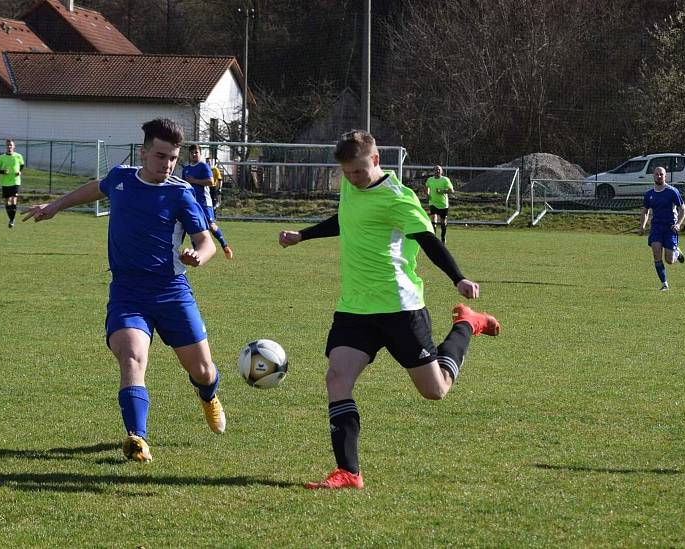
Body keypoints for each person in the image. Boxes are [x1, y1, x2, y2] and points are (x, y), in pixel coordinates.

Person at [278, 130, 501, 490]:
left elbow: (428, 240)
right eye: (347, 173)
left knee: (436, 391)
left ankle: (467, 325)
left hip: (400, 308)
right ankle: (349, 472)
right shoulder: (352, 187)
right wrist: (304, 235)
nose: (352, 179)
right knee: (337, 378)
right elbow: (347, 220)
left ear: (377, 161)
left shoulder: (400, 199)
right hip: (355, 308)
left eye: (359, 172)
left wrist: (458, 278)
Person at [22, 118, 226, 463]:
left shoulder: (180, 194)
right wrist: (55, 206)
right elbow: (95, 187)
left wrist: (198, 257)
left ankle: (208, 397)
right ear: (144, 153)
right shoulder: (121, 179)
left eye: (173, 158)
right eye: (161, 156)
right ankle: (137, 438)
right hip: (128, 293)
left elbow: (207, 243)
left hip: (171, 292)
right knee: (132, 357)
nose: (168, 164)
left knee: (202, 370)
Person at [638, 166, 685, 291]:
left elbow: (683, 209)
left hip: (670, 228)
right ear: (653, 176)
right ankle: (664, 284)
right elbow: (645, 211)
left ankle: (677, 252)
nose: (659, 176)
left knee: (669, 260)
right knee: (656, 253)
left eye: (661, 174)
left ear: (665, 176)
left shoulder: (672, 191)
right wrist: (642, 226)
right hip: (656, 228)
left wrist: (678, 224)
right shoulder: (649, 194)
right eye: (657, 174)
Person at [182, 144, 234, 259]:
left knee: (211, 225)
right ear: (189, 155)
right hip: (191, 202)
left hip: (204, 202)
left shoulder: (203, 166)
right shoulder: (186, 169)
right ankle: (197, 253)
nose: (194, 154)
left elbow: (211, 182)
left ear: (200, 154)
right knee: (192, 225)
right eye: (192, 153)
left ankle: (225, 246)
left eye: (196, 152)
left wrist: (194, 180)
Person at [0, 139, 24, 228]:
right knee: (7, 201)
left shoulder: (18, 156)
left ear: (14, 147)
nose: (9, 147)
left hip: (15, 181)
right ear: (6, 147)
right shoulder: (1, 157)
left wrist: (19, 171)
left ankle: (11, 221)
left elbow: (22, 165)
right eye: (8, 145)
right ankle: (11, 219)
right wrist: (3, 172)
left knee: (14, 199)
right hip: (5, 182)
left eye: (11, 145)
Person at [425, 165, 455, 243]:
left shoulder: (445, 180)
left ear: (442, 171)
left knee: (443, 222)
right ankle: (434, 239)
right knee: (433, 219)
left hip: (443, 204)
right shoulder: (430, 179)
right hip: (433, 203)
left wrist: (442, 191)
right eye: (436, 170)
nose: (437, 171)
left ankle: (443, 237)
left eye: (439, 170)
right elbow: (427, 187)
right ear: (433, 171)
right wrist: (427, 194)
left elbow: (451, 191)